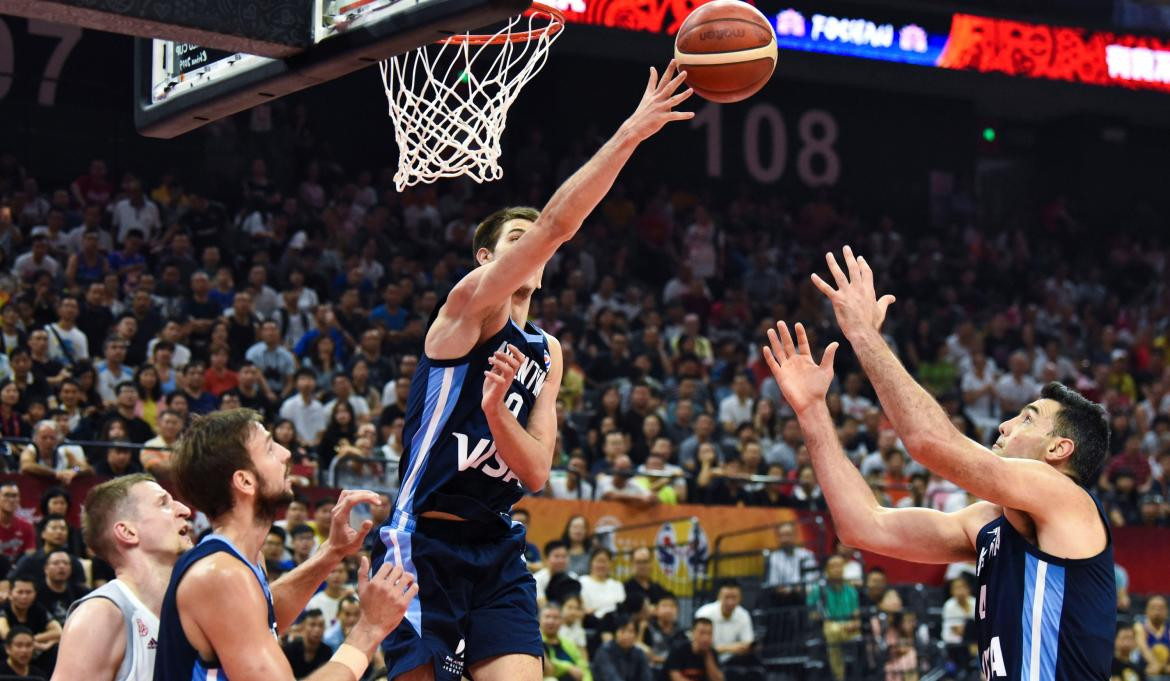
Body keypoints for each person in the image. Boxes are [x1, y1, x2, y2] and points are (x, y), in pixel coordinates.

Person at [370, 60, 693, 681]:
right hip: (425, 542)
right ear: (490, 258)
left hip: (497, 545)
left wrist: (495, 413)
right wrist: (629, 133)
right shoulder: (467, 310)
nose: (534, 248)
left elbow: (537, 471)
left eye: (533, 245)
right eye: (516, 241)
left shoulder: (550, 349)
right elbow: (555, 225)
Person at [766, 246, 1116, 681]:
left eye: (1027, 418)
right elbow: (862, 525)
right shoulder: (986, 523)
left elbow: (928, 442)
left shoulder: (1067, 500)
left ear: (1059, 449)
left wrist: (864, 335)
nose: (1004, 425)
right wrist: (812, 409)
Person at [154, 409, 418, 681]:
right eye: (269, 448)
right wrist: (370, 628)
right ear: (245, 481)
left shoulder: (240, 560)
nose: (286, 453)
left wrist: (332, 551)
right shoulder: (221, 574)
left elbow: (263, 616)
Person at [51, 474, 193, 681]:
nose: (184, 510)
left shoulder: (190, 610)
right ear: (127, 531)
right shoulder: (99, 615)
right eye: (163, 503)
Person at [693, 582, 754, 666]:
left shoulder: (744, 615)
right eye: (727, 597)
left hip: (734, 660)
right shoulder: (704, 613)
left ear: (740, 598)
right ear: (719, 597)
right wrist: (731, 648)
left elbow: (747, 644)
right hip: (705, 658)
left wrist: (722, 649)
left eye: (734, 598)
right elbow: (699, 645)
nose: (730, 602)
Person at [761, 521, 818, 607]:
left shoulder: (807, 555)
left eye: (788, 534)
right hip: (783, 602)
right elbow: (774, 584)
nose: (785, 539)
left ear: (795, 536)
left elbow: (812, 582)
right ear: (778, 538)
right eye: (782, 536)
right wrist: (792, 589)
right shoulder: (774, 558)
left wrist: (800, 589)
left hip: (806, 600)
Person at [591, 614, 653, 681]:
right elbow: (611, 677)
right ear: (615, 633)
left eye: (631, 631)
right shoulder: (604, 651)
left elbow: (647, 677)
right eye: (623, 631)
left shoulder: (638, 653)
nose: (627, 635)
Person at [540, 602, 591, 681]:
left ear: (561, 621)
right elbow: (548, 667)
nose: (551, 621)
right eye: (547, 617)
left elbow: (582, 667)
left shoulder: (568, 643)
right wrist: (568, 667)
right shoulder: (536, 643)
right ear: (539, 620)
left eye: (555, 618)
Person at [284, 609, 334, 678]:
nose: (317, 629)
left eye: (321, 625)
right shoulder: (289, 650)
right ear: (303, 627)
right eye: (312, 625)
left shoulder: (327, 652)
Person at [0, 482, 36, 562]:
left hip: (17, 571)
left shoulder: (27, 526)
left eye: (15, 496)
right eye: (7, 495)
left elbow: (30, 558)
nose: (11, 500)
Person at [1134, 595, 1169, 678]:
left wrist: (1160, 668)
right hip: (1144, 672)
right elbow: (1144, 649)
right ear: (1146, 610)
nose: (1157, 611)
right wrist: (1156, 665)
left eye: (1160, 608)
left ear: (1166, 611)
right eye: (1153, 608)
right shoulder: (1140, 627)